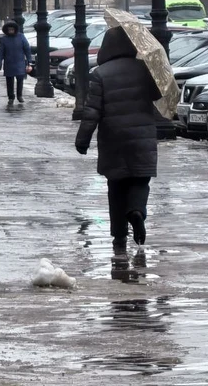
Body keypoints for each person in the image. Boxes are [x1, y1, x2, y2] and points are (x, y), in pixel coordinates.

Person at [75, 26, 161, 252]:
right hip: (142, 136)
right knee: (140, 180)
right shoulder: (145, 70)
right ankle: (137, 211)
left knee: (116, 186)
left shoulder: (100, 73)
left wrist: (83, 140)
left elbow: (92, 111)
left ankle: (119, 237)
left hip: (113, 138)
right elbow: (158, 95)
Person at [0, 21, 32, 105]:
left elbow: (27, 48)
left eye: (12, 29)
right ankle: (11, 97)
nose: (11, 31)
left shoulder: (21, 37)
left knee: (20, 80)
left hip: (20, 62)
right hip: (9, 63)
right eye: (9, 30)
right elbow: (1, 51)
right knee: (9, 81)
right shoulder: (4, 39)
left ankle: (19, 95)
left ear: (15, 29)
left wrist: (29, 61)